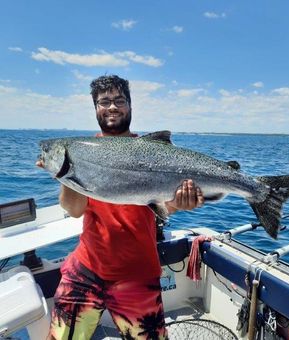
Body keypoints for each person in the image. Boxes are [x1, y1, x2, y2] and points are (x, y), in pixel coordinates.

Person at [39, 75, 204, 340]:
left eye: (119, 101)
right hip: (86, 269)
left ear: (130, 106)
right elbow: (75, 209)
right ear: (95, 109)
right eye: (104, 102)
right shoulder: (83, 151)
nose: (112, 107)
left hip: (138, 273)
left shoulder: (148, 149)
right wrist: (65, 172)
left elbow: (164, 207)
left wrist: (182, 203)